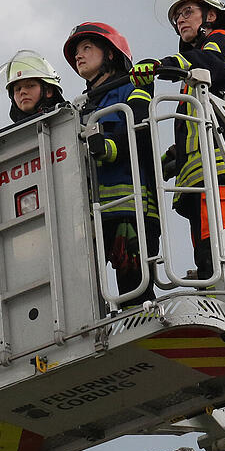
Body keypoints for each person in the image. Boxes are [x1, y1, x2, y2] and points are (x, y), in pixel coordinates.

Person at [129, 0, 225, 282]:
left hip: (224, 165)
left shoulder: (221, 41)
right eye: (176, 17)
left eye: (186, 12)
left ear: (209, 15)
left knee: (222, 251)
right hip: (200, 174)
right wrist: (171, 158)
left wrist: (163, 65)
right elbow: (194, 126)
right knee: (206, 252)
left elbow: (212, 63)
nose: (179, 20)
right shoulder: (194, 74)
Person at [63, 22, 158, 307]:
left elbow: (138, 130)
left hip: (132, 210)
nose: (79, 56)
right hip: (93, 215)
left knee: (135, 296)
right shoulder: (78, 108)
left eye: (87, 48)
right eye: (77, 51)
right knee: (85, 300)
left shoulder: (131, 87)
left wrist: (109, 146)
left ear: (112, 54)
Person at [0, 50, 66, 122]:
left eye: (30, 86)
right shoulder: (16, 133)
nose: (22, 92)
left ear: (48, 91)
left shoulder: (70, 121)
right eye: (18, 89)